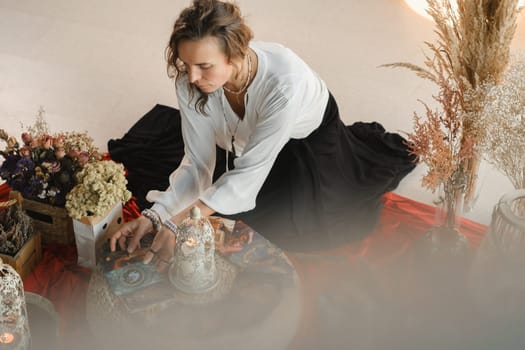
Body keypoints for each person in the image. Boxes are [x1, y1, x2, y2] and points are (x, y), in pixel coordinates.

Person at [109, 0, 416, 268]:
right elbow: (198, 162)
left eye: (204, 66)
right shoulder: (191, 81)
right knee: (190, 200)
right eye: (186, 64)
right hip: (243, 143)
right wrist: (157, 216)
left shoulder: (284, 87)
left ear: (236, 54)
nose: (192, 77)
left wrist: (181, 223)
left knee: (297, 226)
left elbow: (247, 178)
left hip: (306, 141)